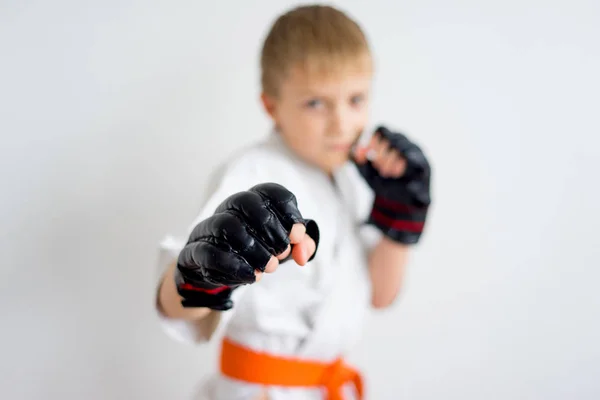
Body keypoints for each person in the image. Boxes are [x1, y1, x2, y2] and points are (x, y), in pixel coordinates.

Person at [155, 4, 432, 400]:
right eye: (315, 103)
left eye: (356, 99)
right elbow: (175, 309)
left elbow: (380, 295)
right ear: (272, 106)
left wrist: (400, 220)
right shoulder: (249, 174)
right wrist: (197, 276)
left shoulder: (349, 178)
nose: (341, 124)